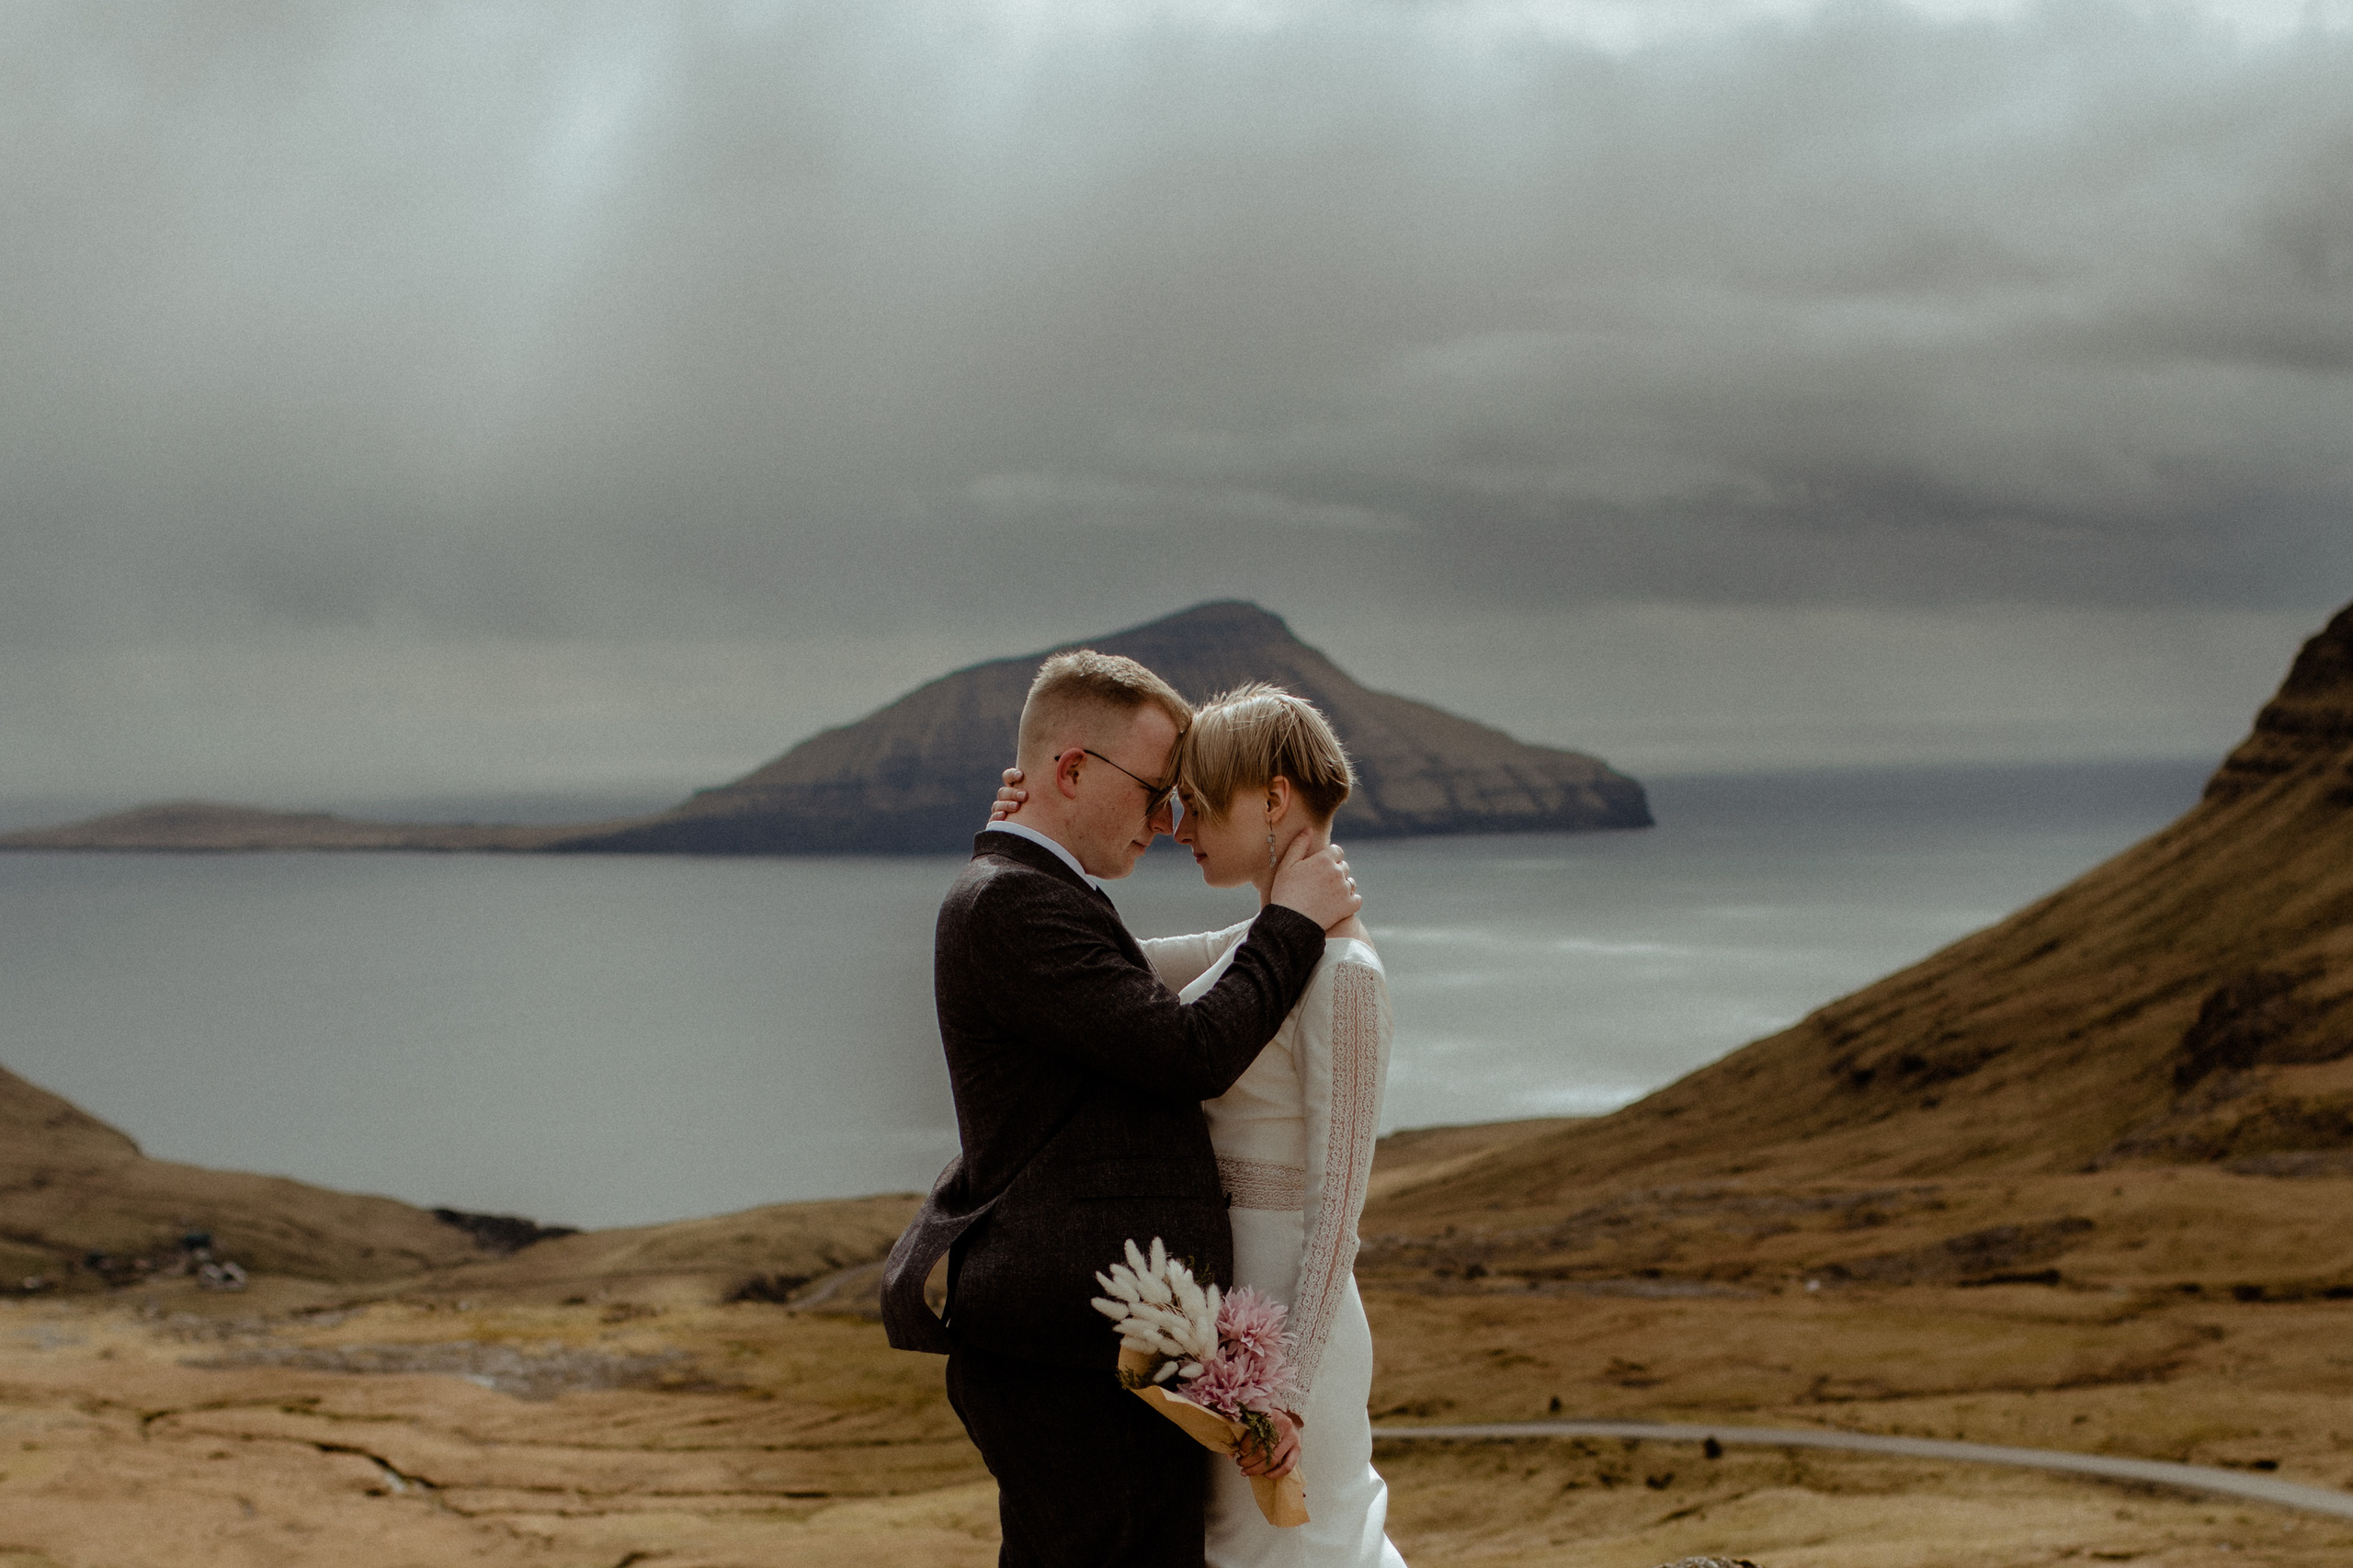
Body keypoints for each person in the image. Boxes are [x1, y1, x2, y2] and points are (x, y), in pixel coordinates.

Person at [881, 650, 1363, 1568]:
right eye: (1153, 791)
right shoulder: (1013, 905)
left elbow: (1129, 984)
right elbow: (1189, 1053)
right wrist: (1292, 922)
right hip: (1068, 1361)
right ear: (1070, 770)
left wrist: (1278, 911)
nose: (1166, 819)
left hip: (1087, 1354)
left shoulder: (1031, 898)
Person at [993, 682, 1408, 1568]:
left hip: (1292, 1326)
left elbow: (1339, 1214)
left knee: (1297, 1549)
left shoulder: (1346, 974)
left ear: (1271, 798)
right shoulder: (1263, 939)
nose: (1178, 829)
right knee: (1230, 1550)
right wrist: (1024, 847)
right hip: (1221, 1310)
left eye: (1197, 806)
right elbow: (1097, 969)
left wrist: (1289, 1388)